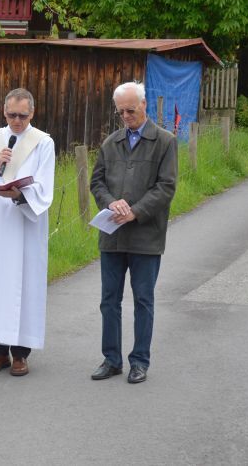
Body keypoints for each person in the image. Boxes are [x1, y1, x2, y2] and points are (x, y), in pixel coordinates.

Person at [89, 81, 178, 384]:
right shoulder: (110, 143)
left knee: (143, 301)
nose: (126, 116)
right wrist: (110, 203)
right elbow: (97, 182)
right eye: (121, 112)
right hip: (112, 235)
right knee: (109, 301)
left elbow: (166, 187)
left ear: (144, 105)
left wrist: (136, 211)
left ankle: (139, 361)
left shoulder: (164, 141)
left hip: (146, 237)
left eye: (130, 110)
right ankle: (111, 360)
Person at [0, 88, 55, 377]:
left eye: (22, 116)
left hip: (25, 222)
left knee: (24, 285)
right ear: (4, 112)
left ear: (32, 113)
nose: (17, 121)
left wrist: (19, 195)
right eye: (11, 115)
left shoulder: (43, 143)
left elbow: (44, 186)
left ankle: (20, 354)